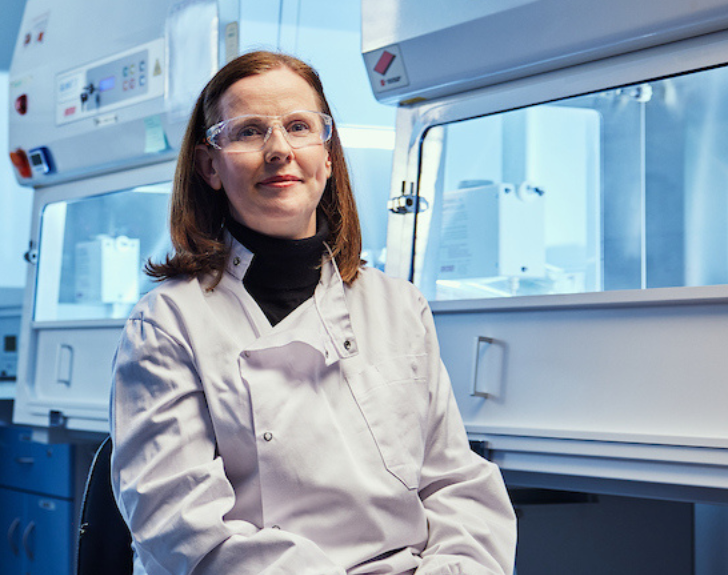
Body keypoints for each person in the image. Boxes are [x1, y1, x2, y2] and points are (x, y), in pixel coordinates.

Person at [108, 51, 517, 575]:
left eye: (299, 126)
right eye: (249, 131)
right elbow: (183, 527)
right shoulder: (168, 324)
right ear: (211, 165)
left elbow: (456, 485)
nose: (279, 150)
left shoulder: (399, 307)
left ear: (326, 156)